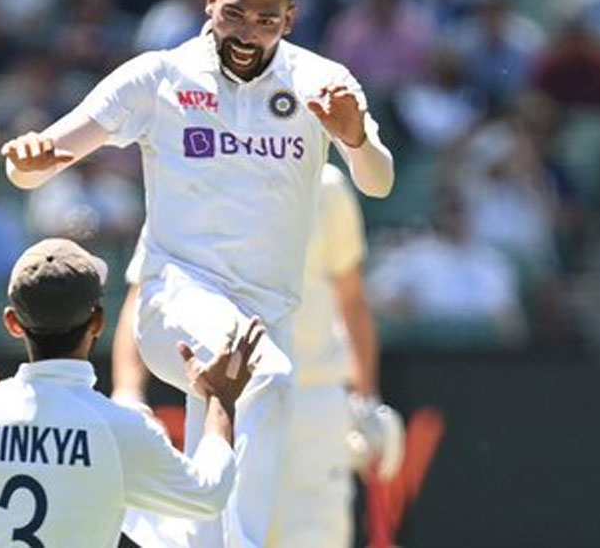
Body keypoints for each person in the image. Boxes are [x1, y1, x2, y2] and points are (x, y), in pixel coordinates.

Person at [0, 0, 394, 547]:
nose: (246, 33)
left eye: (266, 20)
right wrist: (29, 160)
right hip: (175, 298)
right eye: (234, 13)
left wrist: (353, 136)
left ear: (289, 20)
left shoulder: (320, 82)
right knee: (262, 373)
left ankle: (170, 533)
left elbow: (378, 181)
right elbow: (43, 159)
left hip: (270, 317)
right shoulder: (159, 76)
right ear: (211, 0)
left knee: (249, 413)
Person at [113, 165, 405, 547]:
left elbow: (351, 297)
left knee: (315, 538)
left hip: (313, 399)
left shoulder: (326, 187)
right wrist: (127, 392)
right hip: (229, 401)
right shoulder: (191, 172)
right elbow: (147, 291)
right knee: (223, 535)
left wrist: (365, 396)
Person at [0, 237, 264, 547]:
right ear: (97, 322)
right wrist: (220, 401)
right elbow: (207, 495)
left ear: (13, 323)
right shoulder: (122, 428)